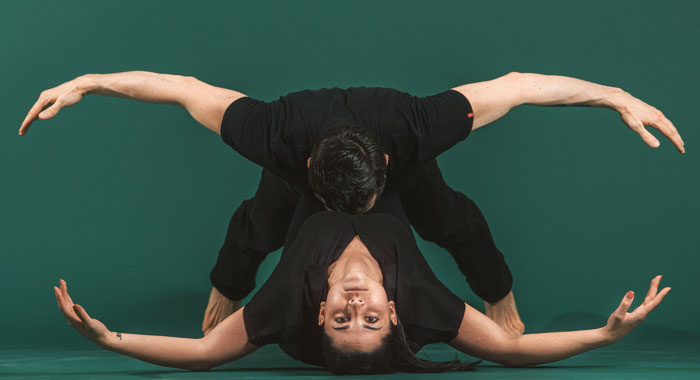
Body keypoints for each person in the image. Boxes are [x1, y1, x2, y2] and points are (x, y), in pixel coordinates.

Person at [22, 70, 684, 338]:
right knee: (258, 227)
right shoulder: (277, 133)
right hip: (298, 172)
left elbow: (520, 86)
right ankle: (223, 301)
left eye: (366, 206)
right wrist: (87, 84)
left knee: (452, 220)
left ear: (385, 170)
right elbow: (179, 88)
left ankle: (502, 305)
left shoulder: (417, 126)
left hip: (400, 163)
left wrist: (618, 96)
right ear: (310, 167)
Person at [53, 187, 672, 373]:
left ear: (318, 317)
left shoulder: (287, 304)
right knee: (452, 216)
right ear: (395, 313)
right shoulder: (423, 304)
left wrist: (112, 340)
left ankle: (228, 277)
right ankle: (498, 285)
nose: (355, 306)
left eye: (343, 318)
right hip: (389, 179)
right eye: (370, 318)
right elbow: (510, 351)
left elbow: (204, 354)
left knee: (254, 226)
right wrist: (604, 335)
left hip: (302, 184)